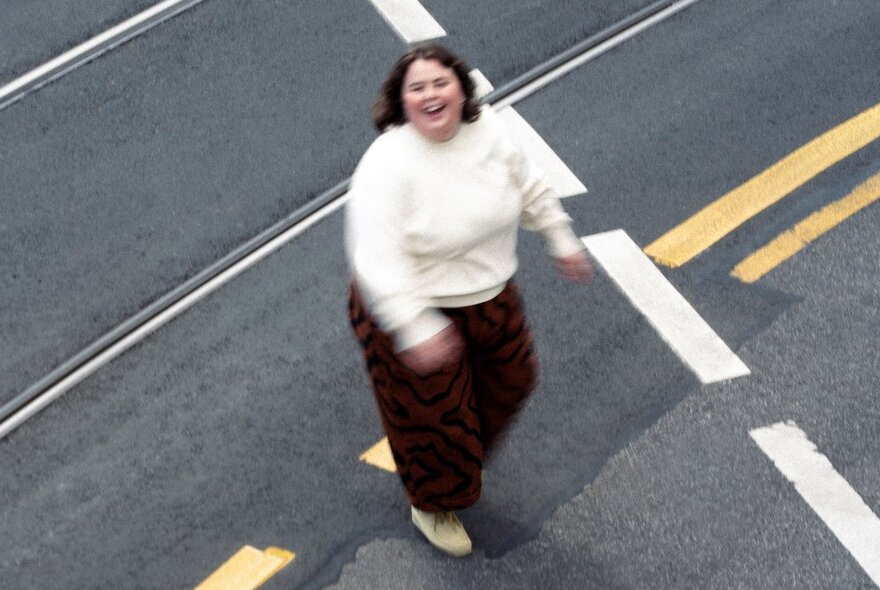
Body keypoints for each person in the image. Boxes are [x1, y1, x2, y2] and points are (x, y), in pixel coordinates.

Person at [345, 42, 592, 557]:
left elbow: (531, 186)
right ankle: (433, 501)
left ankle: (446, 459)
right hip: (413, 309)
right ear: (401, 101)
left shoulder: (491, 133)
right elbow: (376, 257)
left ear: (461, 88)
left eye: (440, 83)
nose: (430, 95)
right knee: (435, 420)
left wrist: (560, 237)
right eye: (417, 88)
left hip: (489, 296)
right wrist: (416, 327)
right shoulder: (387, 163)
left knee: (513, 381)